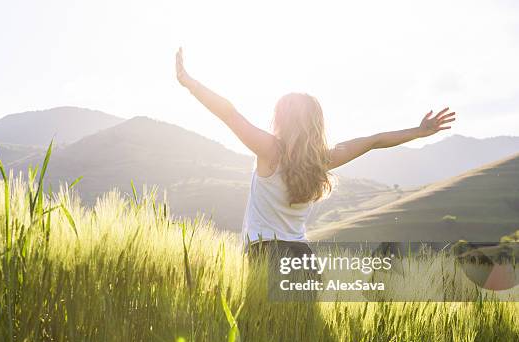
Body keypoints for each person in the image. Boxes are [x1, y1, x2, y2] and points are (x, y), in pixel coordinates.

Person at [175, 47, 456, 263]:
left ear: (280, 119)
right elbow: (374, 141)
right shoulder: (323, 159)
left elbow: (229, 113)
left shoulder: (269, 149)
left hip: (267, 256)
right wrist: (418, 132)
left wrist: (190, 83)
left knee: (264, 334)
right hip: (303, 257)